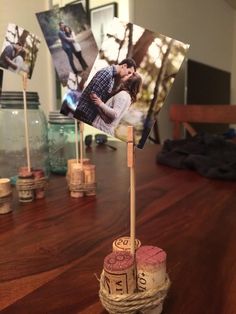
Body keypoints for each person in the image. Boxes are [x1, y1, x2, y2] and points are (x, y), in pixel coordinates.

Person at [73, 58, 137, 125]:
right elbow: (93, 95)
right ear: (124, 66)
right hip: (84, 113)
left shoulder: (112, 77)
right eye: (129, 72)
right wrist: (104, 116)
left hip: (88, 115)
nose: (127, 76)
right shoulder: (107, 73)